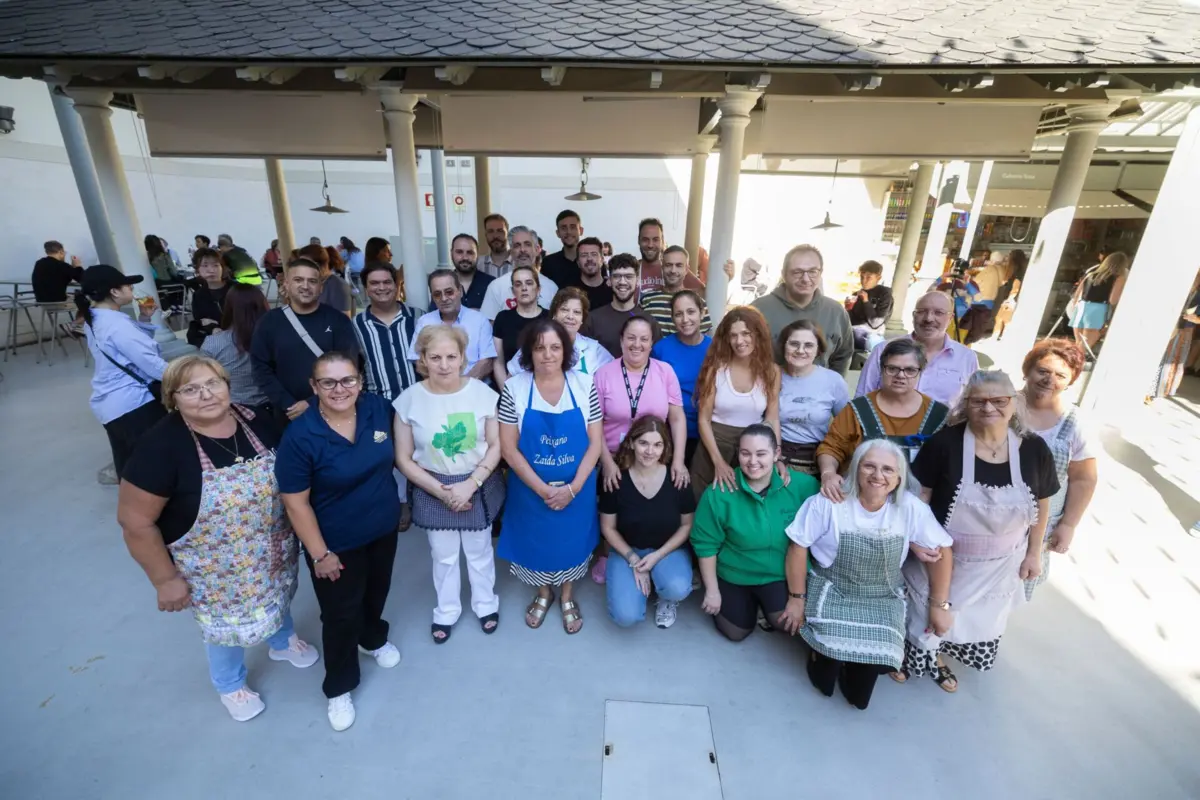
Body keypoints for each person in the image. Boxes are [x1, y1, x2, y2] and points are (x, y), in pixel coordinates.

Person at [117, 355, 317, 722]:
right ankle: (230, 684)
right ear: (172, 398)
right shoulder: (160, 446)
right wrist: (165, 580)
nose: (205, 394)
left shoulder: (256, 419)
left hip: (271, 546)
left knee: (280, 594)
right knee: (223, 628)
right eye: (191, 389)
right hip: (213, 567)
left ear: (227, 384)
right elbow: (135, 522)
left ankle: (281, 641)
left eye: (213, 383)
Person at [898, 370, 1058, 692]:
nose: (989, 408)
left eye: (999, 401)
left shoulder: (1034, 449)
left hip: (1001, 565)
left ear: (1014, 403)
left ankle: (943, 657)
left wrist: (1033, 554)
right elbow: (920, 498)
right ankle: (918, 657)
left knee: (975, 620)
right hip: (944, 560)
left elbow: (1042, 505)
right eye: (979, 401)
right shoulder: (944, 443)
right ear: (965, 405)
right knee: (929, 616)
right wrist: (915, 541)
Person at [275, 353, 402, 731]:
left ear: (361, 382)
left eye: (347, 380)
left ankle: (373, 638)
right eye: (328, 383)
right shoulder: (301, 436)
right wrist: (319, 554)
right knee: (340, 613)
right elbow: (295, 503)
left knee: (376, 592)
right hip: (335, 543)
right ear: (314, 387)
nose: (339, 389)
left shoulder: (379, 409)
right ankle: (339, 686)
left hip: (382, 528)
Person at [780, 439, 952, 710]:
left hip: (881, 595)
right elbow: (798, 546)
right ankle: (822, 657)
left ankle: (855, 663)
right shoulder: (829, 502)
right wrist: (796, 598)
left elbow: (943, 549)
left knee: (860, 697)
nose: (877, 475)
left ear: (898, 478)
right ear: (856, 469)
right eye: (869, 466)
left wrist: (939, 604)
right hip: (833, 588)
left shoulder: (909, 507)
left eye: (887, 470)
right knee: (824, 681)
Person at [395, 325, 504, 643]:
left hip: (477, 482)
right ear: (423, 360)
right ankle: (446, 610)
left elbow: (496, 445)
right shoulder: (408, 401)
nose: (444, 364)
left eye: (451, 357)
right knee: (442, 554)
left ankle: (486, 604)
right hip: (432, 485)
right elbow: (403, 458)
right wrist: (440, 491)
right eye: (435, 357)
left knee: (480, 550)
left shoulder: (483, 394)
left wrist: (471, 483)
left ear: (462, 358)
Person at [496, 318, 604, 634]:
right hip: (530, 490)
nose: (547, 354)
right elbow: (509, 448)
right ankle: (543, 592)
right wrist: (544, 490)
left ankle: (567, 596)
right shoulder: (515, 388)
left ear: (566, 351)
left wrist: (573, 488)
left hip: (578, 489)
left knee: (571, 544)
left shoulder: (584, 386)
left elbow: (595, 443)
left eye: (555, 347)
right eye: (539, 347)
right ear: (529, 351)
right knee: (537, 544)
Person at [691, 424, 819, 641]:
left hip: (779, 574)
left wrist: (799, 597)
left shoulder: (802, 486)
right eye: (745, 453)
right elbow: (705, 545)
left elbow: (830, 511)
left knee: (787, 622)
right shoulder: (719, 492)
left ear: (776, 454)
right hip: (735, 574)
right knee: (735, 632)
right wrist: (712, 591)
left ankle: (766, 607)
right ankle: (749, 606)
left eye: (761, 454)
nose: (753, 461)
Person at [816, 339, 949, 498]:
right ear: (881, 369)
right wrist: (828, 473)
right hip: (862, 501)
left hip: (918, 505)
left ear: (921, 371)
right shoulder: (858, 410)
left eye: (910, 370)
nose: (901, 375)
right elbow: (832, 448)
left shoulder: (939, 415)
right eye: (892, 368)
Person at [600, 416, 696, 629]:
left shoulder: (677, 478)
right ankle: (639, 584)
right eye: (643, 443)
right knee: (626, 617)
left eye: (657, 445)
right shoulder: (615, 478)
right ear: (632, 443)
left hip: (667, 550)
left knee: (677, 588)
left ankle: (664, 595)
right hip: (627, 551)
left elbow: (686, 525)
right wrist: (633, 559)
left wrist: (656, 557)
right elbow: (607, 527)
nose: (649, 451)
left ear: (665, 448)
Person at [1020, 339, 1098, 600]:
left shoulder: (1075, 424)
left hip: (1040, 524)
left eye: (1060, 375)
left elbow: (1083, 479)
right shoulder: (1001, 405)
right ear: (1028, 370)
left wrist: (1069, 524)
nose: (1049, 379)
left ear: (1070, 381)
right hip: (988, 516)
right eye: (1042, 371)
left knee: (1017, 585)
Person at [77, 265, 167, 477]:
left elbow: (127, 351)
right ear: (114, 292)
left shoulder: (95, 317)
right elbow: (151, 365)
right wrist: (191, 377)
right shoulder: (117, 325)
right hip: (134, 404)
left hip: (113, 406)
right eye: (128, 285)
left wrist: (144, 320)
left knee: (130, 468)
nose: (132, 290)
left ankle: (133, 507)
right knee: (154, 471)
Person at [250, 257, 360, 425]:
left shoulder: (337, 320)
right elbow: (261, 368)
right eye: (298, 280)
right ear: (286, 284)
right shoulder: (269, 322)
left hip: (334, 409)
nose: (305, 286)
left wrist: (312, 402)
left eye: (312, 281)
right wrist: (288, 404)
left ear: (320, 287)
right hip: (289, 414)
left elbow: (348, 365)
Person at [691, 306, 781, 496]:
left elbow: (772, 419)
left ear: (757, 334)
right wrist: (718, 462)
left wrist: (776, 456)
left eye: (746, 333)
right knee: (704, 504)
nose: (739, 341)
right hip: (714, 447)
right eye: (733, 335)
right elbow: (703, 419)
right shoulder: (715, 369)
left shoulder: (771, 371)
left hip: (752, 450)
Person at [595, 315, 688, 490]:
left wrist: (678, 460)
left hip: (654, 459)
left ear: (651, 343)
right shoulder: (603, 374)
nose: (637, 344)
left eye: (644, 339)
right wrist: (607, 463)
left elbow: (677, 418)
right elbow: (594, 424)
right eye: (631, 338)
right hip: (614, 460)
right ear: (621, 340)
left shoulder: (665, 372)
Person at [856, 291, 979, 406]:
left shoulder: (966, 358)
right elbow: (862, 399)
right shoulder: (883, 350)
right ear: (913, 315)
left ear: (950, 318)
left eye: (938, 313)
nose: (929, 319)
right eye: (922, 311)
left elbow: (972, 405)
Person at [752, 244, 853, 374]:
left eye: (812, 272)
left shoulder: (836, 312)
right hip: (768, 390)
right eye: (797, 272)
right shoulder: (758, 309)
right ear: (784, 274)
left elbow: (843, 356)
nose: (805, 279)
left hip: (819, 392)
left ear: (820, 273)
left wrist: (831, 386)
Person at [777, 320, 849, 476]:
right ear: (784, 346)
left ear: (819, 350)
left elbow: (847, 428)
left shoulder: (833, 381)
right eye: (794, 344)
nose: (800, 350)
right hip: (773, 461)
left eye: (808, 345)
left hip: (817, 463)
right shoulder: (771, 375)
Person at [651, 291, 712, 467]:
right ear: (672, 318)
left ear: (702, 313)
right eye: (678, 314)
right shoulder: (661, 349)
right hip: (671, 433)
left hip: (708, 432)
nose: (685, 319)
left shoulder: (715, 349)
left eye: (691, 312)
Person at [410, 269, 496, 383]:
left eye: (449, 292)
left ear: (460, 291)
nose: (444, 298)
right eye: (437, 294)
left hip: (475, 389)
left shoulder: (479, 320)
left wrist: (461, 387)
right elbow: (418, 361)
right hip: (437, 390)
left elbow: (487, 362)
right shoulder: (424, 322)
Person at [505, 287, 612, 377]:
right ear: (554, 315)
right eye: (564, 310)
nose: (570, 316)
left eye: (577, 312)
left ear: (582, 319)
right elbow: (510, 380)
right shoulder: (535, 344)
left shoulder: (594, 350)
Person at [352, 261, 419, 402]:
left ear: (395, 285)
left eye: (387, 282)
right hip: (378, 405)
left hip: (419, 402)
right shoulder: (356, 325)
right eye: (375, 283)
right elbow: (354, 367)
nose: (381, 288)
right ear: (366, 288)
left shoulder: (418, 317)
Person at [201, 283, 272, 408]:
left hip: (235, 407)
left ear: (228, 308)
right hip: (275, 404)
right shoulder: (275, 337)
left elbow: (207, 382)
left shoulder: (213, 344)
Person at [584, 253, 659, 357]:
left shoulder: (649, 322)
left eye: (628, 276)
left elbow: (655, 363)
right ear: (609, 281)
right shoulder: (592, 320)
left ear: (637, 281)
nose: (622, 282)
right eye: (617, 276)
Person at [479, 226, 560, 320]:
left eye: (527, 244)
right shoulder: (496, 286)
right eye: (517, 245)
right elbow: (488, 324)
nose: (522, 250)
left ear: (537, 249)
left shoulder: (551, 287)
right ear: (511, 252)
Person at [491, 265, 548, 387]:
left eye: (529, 283)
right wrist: (507, 393)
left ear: (538, 289)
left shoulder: (550, 318)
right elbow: (498, 362)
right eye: (518, 284)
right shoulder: (503, 318)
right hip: (510, 386)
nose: (524, 288)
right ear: (513, 291)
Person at [640, 246, 710, 336]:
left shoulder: (699, 302)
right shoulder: (647, 299)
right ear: (662, 268)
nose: (673, 270)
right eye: (668, 265)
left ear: (686, 269)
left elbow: (705, 343)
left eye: (679, 265)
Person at [1152, 270, 1200, 398]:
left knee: (1177, 360)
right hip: (1174, 327)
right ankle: (1159, 388)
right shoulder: (1179, 292)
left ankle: (1167, 389)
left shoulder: (1198, 296)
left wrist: (1195, 319)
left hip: (1186, 330)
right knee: (1168, 357)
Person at [1070, 252, 1130, 350]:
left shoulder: (1090, 274)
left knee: (1078, 344)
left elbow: (1077, 295)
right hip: (1097, 311)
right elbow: (1113, 300)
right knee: (1083, 348)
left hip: (1080, 309)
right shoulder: (1119, 278)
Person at [846, 260, 893, 352]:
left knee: (869, 340)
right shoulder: (856, 294)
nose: (864, 281)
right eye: (862, 277)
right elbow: (850, 321)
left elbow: (876, 323)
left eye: (869, 277)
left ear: (878, 278)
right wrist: (848, 309)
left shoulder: (884, 294)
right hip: (853, 332)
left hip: (871, 334)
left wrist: (866, 301)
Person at [186, 247, 230, 348]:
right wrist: (212, 328)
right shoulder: (199, 295)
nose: (211, 270)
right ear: (197, 270)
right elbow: (201, 320)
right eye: (205, 266)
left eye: (215, 265)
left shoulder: (236, 290)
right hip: (215, 339)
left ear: (223, 268)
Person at [960, 250, 1007, 344]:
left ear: (992, 260)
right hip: (990, 302)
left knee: (969, 323)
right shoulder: (1003, 270)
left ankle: (963, 341)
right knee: (979, 326)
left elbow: (976, 282)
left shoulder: (989, 270)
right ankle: (968, 341)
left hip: (980, 300)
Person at [446, 233, 494, 310]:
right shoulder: (443, 284)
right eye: (459, 252)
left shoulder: (492, 284)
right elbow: (434, 316)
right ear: (451, 253)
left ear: (477, 255)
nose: (465, 257)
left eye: (470, 252)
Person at [636, 217, 683, 295]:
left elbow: (701, 289)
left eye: (655, 239)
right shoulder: (631, 269)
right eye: (645, 239)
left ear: (662, 241)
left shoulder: (674, 268)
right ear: (639, 240)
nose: (650, 245)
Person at [539, 209, 583, 288]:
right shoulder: (548, 263)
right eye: (563, 228)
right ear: (558, 233)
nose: (568, 232)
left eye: (573, 227)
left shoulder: (590, 261)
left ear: (581, 230)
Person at [990, 250, 1027, 340]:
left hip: (1009, 299)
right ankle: (999, 336)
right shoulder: (1022, 271)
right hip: (1011, 299)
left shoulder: (1016, 272)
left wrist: (1009, 299)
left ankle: (997, 335)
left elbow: (1015, 287)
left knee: (1000, 318)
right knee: (1003, 319)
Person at [570, 236, 614, 311]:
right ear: (578, 262)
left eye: (594, 254)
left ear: (602, 260)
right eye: (584, 255)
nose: (589, 259)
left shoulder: (613, 291)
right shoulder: (569, 292)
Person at [146, 234, 184, 312]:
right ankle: (178, 305)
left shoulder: (146, 257)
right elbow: (173, 271)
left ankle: (171, 306)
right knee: (183, 283)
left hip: (155, 284)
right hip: (166, 282)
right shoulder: (164, 255)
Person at [476, 213, 514, 278]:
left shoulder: (519, 262)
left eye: (500, 231)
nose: (495, 236)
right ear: (486, 235)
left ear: (507, 233)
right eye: (490, 231)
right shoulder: (478, 265)